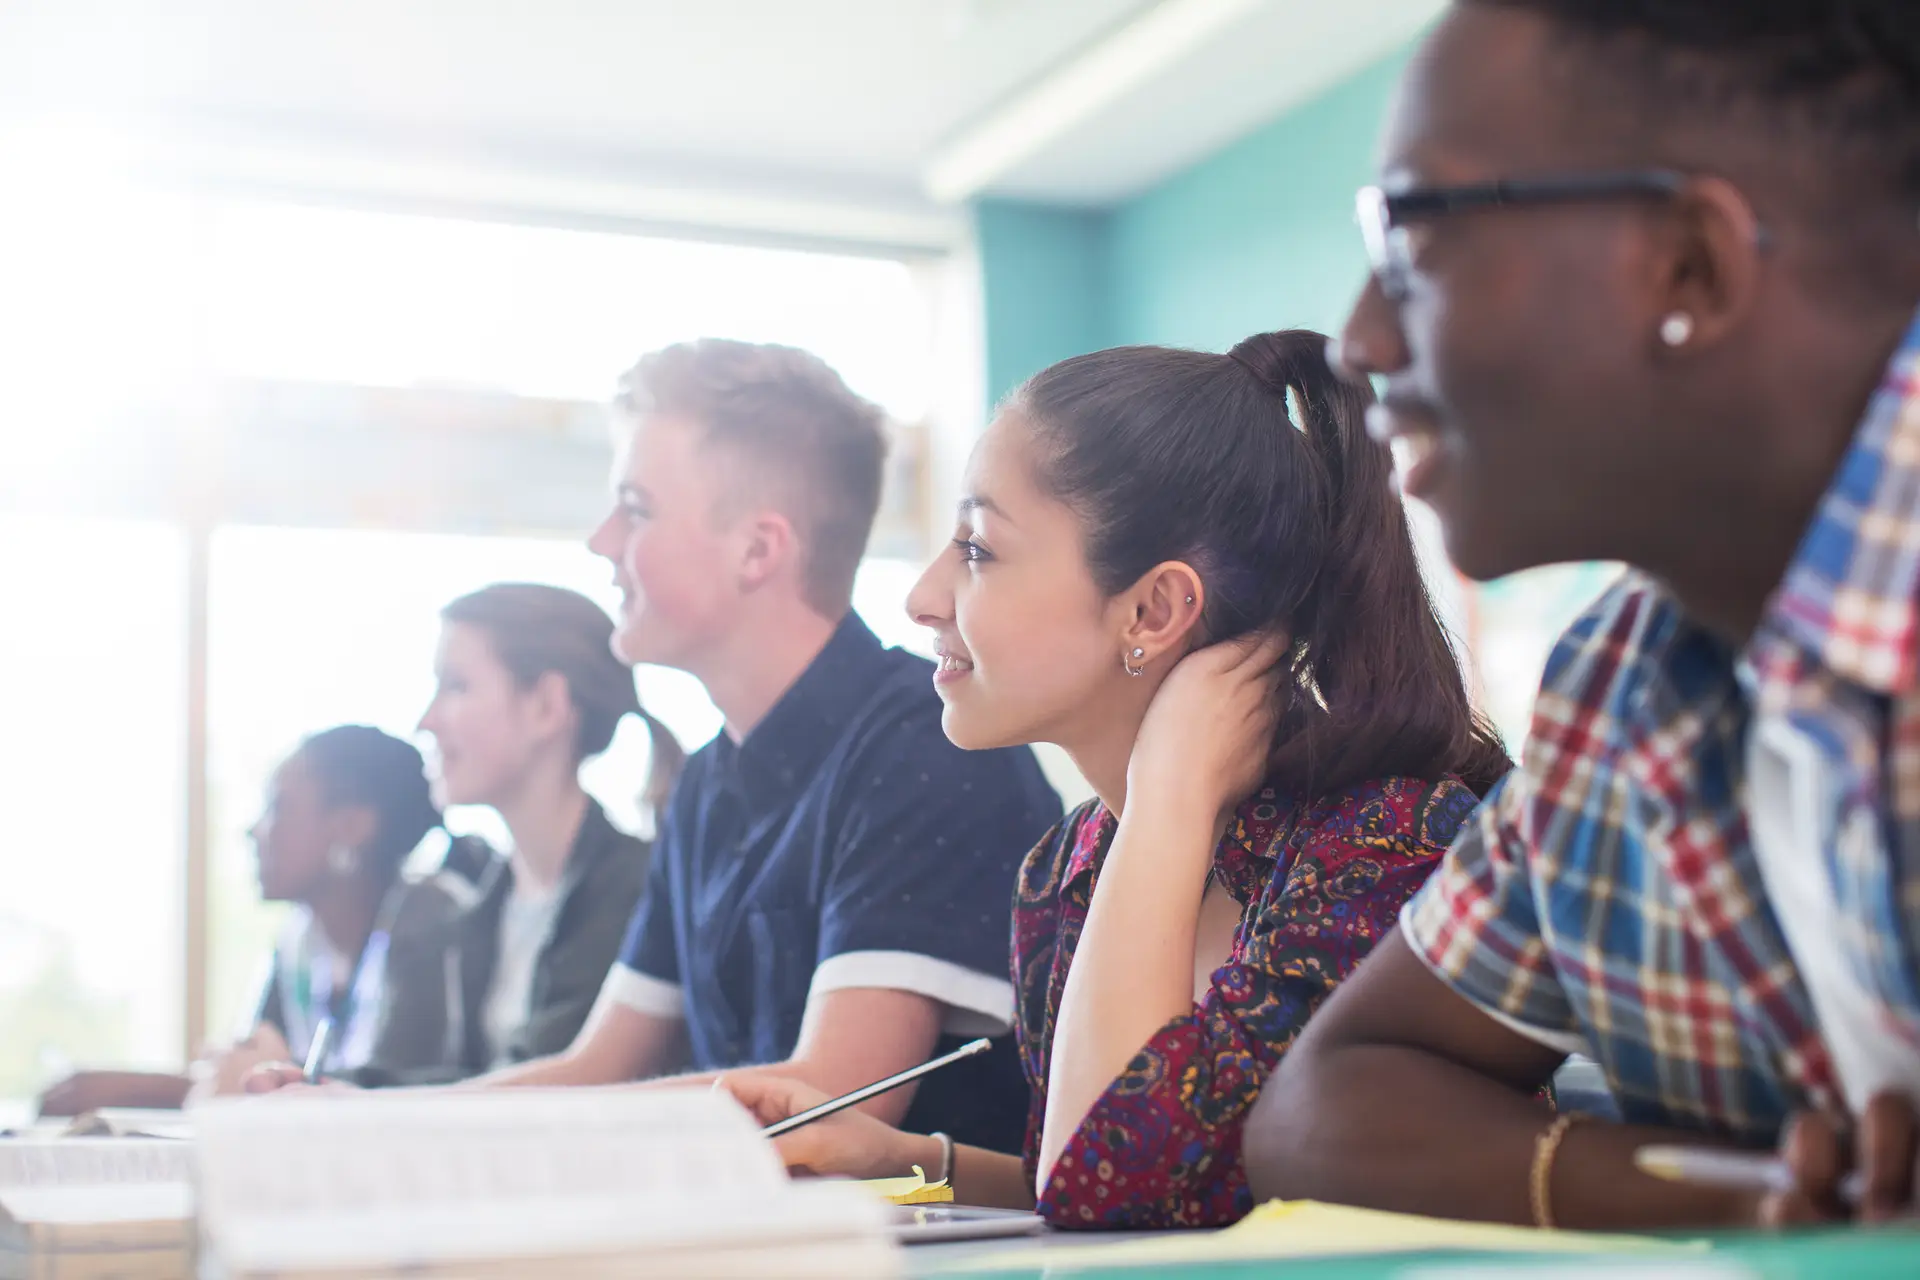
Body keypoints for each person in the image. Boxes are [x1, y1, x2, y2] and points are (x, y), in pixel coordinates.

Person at [1244, 0, 1920, 1232]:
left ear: (1689, 268)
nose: (1359, 338)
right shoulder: (1623, 679)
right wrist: (1764, 1195)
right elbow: (1317, 1109)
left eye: (1413, 238)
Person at [722, 330, 1512, 1229]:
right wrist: (906, 1162)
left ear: (1154, 609)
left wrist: (1171, 794)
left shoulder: (1387, 847)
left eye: (977, 549)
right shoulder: (1066, 868)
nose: (923, 596)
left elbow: (1131, 1188)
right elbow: (1102, 1172)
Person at [251, 340, 1062, 1157]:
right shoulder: (708, 784)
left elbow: (825, 1102)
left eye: (635, 509)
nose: (601, 541)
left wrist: (387, 1122)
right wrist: (361, 1115)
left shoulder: (925, 745)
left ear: (758, 549)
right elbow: (596, 1066)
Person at [359, 582, 683, 1084]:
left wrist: (346, 1100)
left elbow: (538, 1085)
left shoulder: (633, 891)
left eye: (456, 686)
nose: (426, 722)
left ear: (547, 708)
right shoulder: (480, 906)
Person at [39, 726, 452, 1115]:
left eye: (278, 807)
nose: (255, 832)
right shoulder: (301, 939)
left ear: (351, 825)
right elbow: (251, 1060)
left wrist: (159, 1089)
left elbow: (392, 1088)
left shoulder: (433, 920)